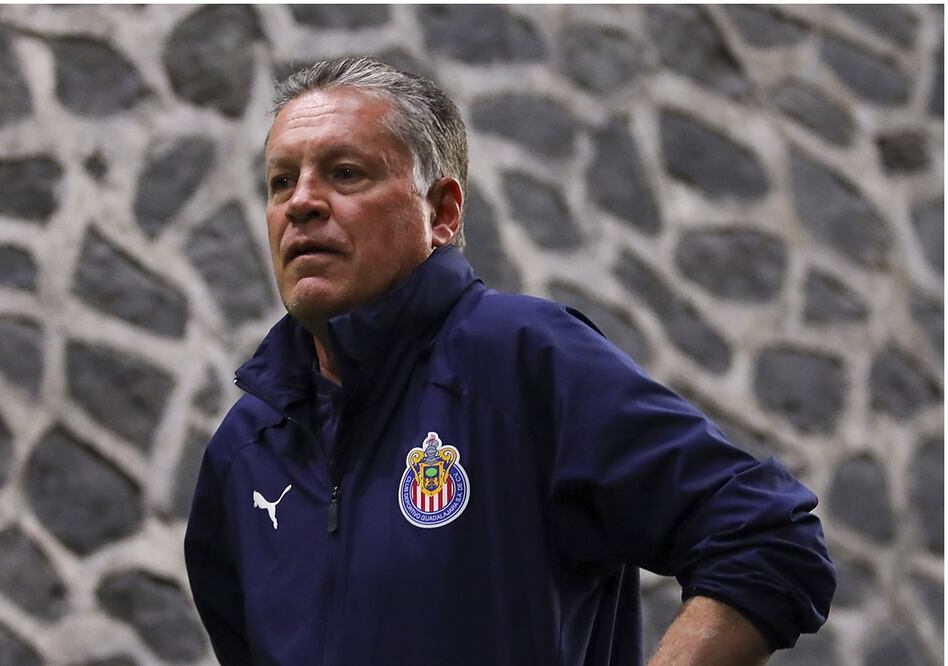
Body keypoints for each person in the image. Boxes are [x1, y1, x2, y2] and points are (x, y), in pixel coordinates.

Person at [184, 56, 835, 666]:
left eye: (346, 173)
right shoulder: (243, 453)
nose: (301, 201)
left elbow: (769, 536)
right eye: (280, 181)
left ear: (440, 212)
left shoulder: (521, 359)